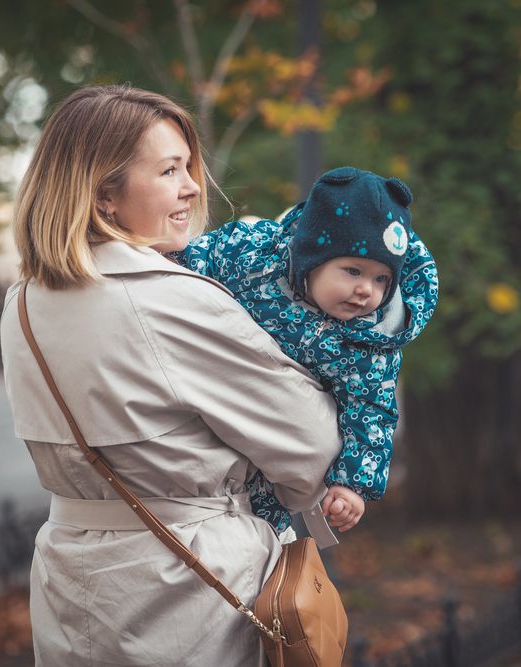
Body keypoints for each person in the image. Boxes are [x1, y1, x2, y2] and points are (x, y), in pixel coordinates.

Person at [0, 84, 341, 666]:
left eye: (189, 167)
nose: (191, 187)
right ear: (104, 194)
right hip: (189, 589)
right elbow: (311, 444)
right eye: (169, 170)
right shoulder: (169, 300)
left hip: (71, 582)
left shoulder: (24, 303)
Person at [175, 167, 439, 536]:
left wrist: (352, 485)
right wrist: (171, 261)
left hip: (276, 450)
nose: (366, 290)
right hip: (212, 400)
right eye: (352, 270)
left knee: (257, 526)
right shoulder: (258, 259)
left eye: (381, 279)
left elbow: (372, 412)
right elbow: (207, 253)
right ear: (311, 257)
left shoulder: (367, 344)